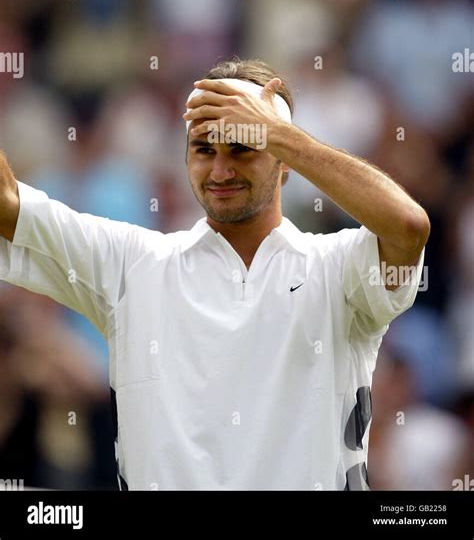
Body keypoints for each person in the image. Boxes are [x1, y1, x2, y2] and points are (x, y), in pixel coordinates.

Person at [0, 58, 430, 491]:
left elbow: (408, 226)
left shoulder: (337, 266)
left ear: (284, 161)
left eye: (242, 147)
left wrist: (279, 133)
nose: (220, 171)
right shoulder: (132, 264)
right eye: (204, 149)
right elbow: (6, 204)